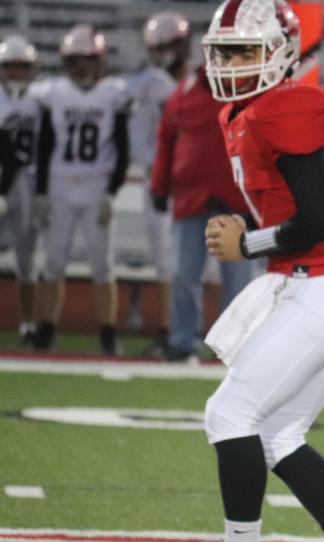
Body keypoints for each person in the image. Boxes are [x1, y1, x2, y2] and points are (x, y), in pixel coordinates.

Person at [161, 0, 324, 542]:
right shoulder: (247, 110)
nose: (234, 64)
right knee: (276, 433)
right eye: (225, 52)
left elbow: (320, 218)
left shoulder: (291, 104)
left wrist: (247, 243)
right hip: (319, 281)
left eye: (247, 51)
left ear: (283, 53)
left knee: (228, 413)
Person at [150, 24, 254, 364]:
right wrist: (159, 185)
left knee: (238, 282)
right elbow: (166, 141)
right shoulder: (186, 91)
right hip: (191, 199)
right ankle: (182, 342)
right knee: (183, 274)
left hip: (236, 201)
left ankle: (232, 348)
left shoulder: (249, 89)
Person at [32, 24, 130, 355]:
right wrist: (42, 191)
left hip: (96, 185)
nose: (83, 67)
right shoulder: (55, 93)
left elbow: (122, 148)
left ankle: (107, 333)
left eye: (89, 59)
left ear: (100, 61)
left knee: (103, 264)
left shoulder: (113, 93)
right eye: (76, 60)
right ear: (65, 63)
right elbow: (44, 147)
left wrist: (111, 191)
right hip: (60, 184)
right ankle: (45, 329)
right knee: (54, 260)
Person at [128, 11, 192, 352]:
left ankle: (191, 331)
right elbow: (140, 140)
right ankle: (170, 330)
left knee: (197, 264)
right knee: (168, 262)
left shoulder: (196, 81)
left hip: (193, 185)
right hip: (163, 184)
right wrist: (162, 171)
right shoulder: (148, 84)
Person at [0, 35, 41, 347]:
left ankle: (28, 325)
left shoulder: (42, 98)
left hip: (29, 183)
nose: (16, 73)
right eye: (10, 67)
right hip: (3, 181)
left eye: (22, 67)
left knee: (27, 262)